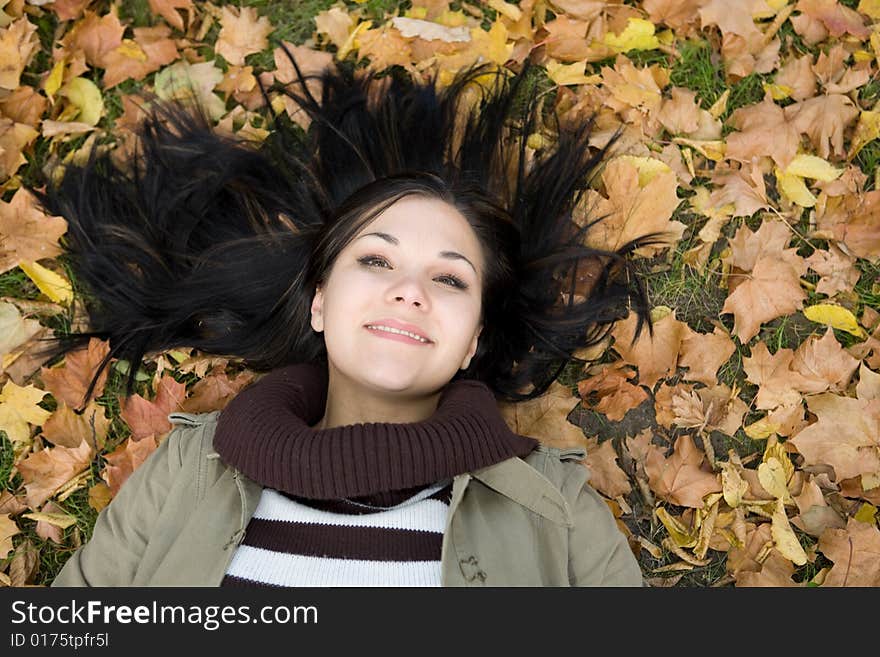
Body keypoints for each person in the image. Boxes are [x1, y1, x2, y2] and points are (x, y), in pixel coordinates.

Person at [39, 48, 662, 586]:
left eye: (448, 278)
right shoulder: (187, 469)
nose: (409, 291)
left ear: (473, 341)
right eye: (375, 261)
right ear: (318, 302)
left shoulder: (556, 504)